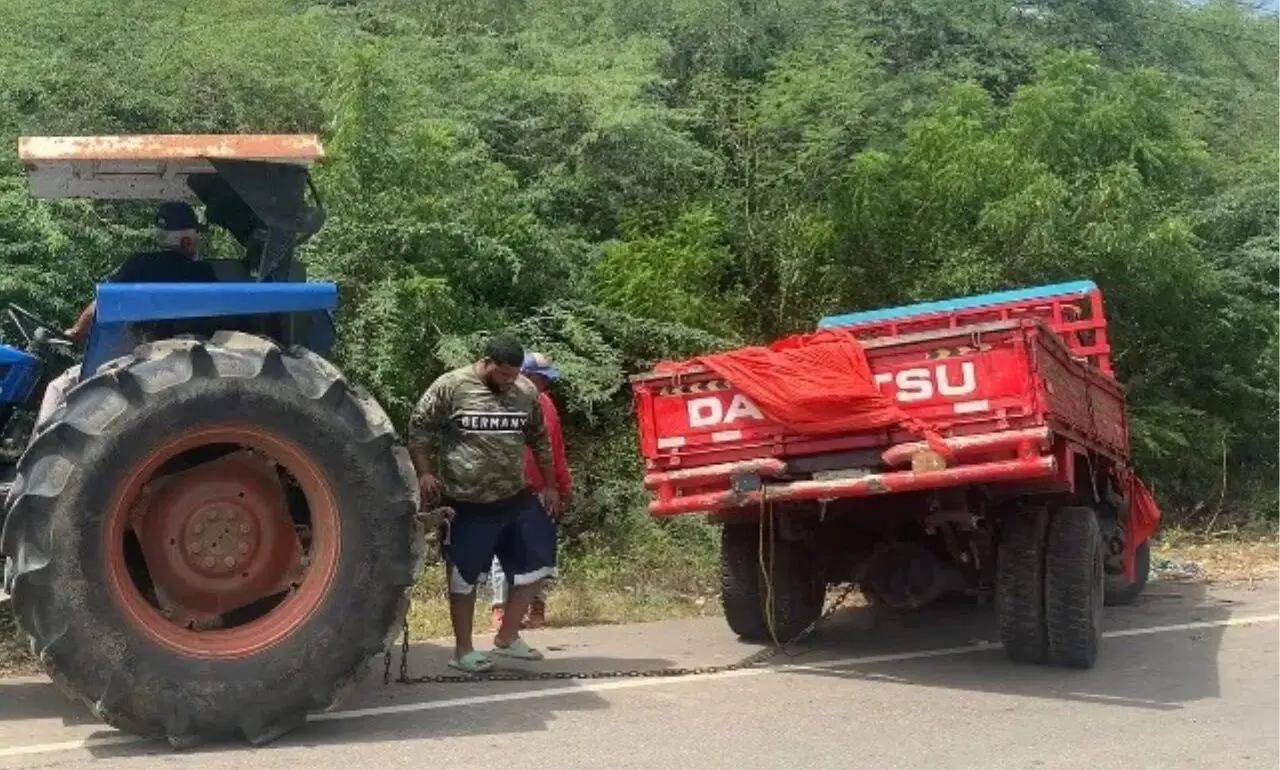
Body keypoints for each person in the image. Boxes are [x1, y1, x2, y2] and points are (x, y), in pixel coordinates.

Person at [407, 335, 563, 673]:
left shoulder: (524, 391)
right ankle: (463, 651)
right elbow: (420, 431)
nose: (510, 381)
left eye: (514, 375)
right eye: (504, 375)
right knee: (463, 578)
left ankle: (507, 637)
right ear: (487, 362)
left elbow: (539, 438)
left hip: (514, 495)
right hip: (466, 501)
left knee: (541, 558)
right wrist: (425, 474)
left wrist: (550, 485)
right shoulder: (451, 386)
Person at [34, 201, 216, 429]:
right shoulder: (204, 272)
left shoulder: (140, 265)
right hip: (190, 356)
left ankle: (37, 457)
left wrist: (75, 333)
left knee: (58, 388)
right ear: (187, 239)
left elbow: (102, 304)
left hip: (147, 356)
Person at [489, 351, 573, 631]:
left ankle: (535, 606)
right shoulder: (498, 404)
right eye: (540, 379)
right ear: (523, 376)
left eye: (545, 381)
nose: (544, 386)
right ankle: (501, 611)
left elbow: (555, 449)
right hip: (504, 488)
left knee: (538, 551)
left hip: (538, 491)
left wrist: (561, 487)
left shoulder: (546, 405)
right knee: (503, 553)